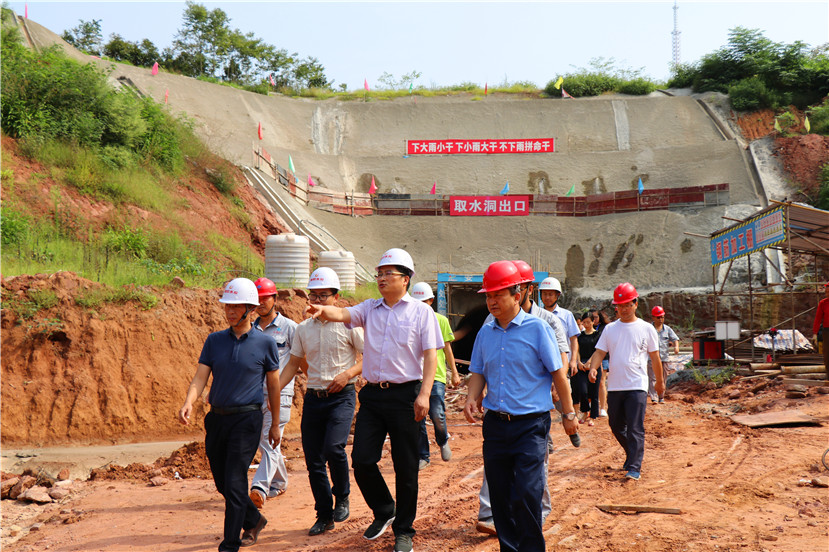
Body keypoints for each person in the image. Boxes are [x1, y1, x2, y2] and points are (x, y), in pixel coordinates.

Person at [306, 248, 442, 552]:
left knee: (406, 466)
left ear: (405, 279)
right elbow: (342, 313)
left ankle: (404, 530)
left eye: (388, 274)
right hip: (372, 396)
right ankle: (384, 510)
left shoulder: (421, 312)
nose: (381, 278)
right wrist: (321, 310)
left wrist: (424, 394)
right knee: (362, 460)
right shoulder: (370, 308)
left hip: (406, 395)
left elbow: (431, 355)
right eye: (379, 273)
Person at [464, 261, 579, 552]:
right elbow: (477, 371)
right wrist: (470, 397)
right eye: (488, 296)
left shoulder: (538, 329)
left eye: (497, 295)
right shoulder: (485, 333)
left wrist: (568, 414)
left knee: (527, 495)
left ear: (517, 295)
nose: (491, 302)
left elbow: (558, 375)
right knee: (501, 498)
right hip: (496, 425)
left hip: (531, 425)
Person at [178, 278, 279, 551]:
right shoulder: (214, 341)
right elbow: (200, 377)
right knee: (223, 483)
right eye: (228, 307)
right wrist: (189, 401)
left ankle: (230, 543)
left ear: (250, 308)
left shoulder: (265, 344)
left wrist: (276, 425)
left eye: (237, 307)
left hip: (247, 420)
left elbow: (273, 385)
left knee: (235, 480)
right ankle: (254, 519)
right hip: (217, 419)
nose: (231, 312)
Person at [274, 267, 364, 536]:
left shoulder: (349, 325)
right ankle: (323, 514)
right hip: (314, 398)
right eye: (314, 295)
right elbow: (292, 365)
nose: (318, 301)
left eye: (324, 296)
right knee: (313, 460)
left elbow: (369, 356)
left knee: (334, 447)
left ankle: (343, 497)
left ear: (336, 298)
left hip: (343, 396)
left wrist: (348, 374)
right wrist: (273, 393)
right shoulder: (303, 329)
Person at [588, 282, 663, 481]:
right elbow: (600, 352)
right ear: (616, 307)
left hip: (637, 385)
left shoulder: (646, 329)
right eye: (620, 305)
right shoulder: (610, 329)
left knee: (635, 426)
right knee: (615, 424)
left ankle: (634, 467)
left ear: (636, 304)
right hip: (615, 386)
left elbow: (655, 358)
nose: (624, 309)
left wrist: (659, 383)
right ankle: (632, 454)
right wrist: (594, 367)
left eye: (628, 304)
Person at [248, 277, 297, 509]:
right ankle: (279, 482)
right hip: (255, 395)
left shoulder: (290, 328)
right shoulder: (251, 330)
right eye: (257, 299)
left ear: (275, 299)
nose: (261, 302)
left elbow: (300, 360)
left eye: (265, 298)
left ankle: (259, 488)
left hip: (282, 393)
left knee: (269, 440)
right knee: (266, 441)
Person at [411, 281, 460, 470]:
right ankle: (423, 455)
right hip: (414, 376)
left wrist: (454, 373)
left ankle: (442, 440)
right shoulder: (408, 320)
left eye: (423, 301)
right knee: (418, 418)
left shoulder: (440, 320)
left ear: (430, 301)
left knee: (437, 414)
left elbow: (447, 349)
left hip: (436, 375)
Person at [539, 277, 580, 377]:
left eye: (550, 294)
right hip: (541, 366)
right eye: (544, 294)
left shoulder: (567, 315)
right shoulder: (537, 315)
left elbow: (573, 340)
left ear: (557, 295)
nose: (547, 297)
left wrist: (573, 361)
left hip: (562, 365)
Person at [574, 312, 602, 424]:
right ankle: (585, 411)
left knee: (594, 391)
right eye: (584, 322)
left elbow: (598, 351)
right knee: (582, 390)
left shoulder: (597, 335)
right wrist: (579, 362)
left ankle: (593, 416)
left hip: (594, 365)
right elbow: (577, 350)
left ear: (593, 321)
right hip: (582, 367)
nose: (586, 324)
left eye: (588, 322)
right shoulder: (580, 336)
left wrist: (590, 363)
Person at [649, 306, 680, 403]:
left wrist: (676, 347)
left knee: (663, 378)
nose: (661, 319)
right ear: (653, 317)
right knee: (653, 377)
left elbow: (675, 339)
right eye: (658, 317)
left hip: (664, 358)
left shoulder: (667, 329)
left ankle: (661, 396)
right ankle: (654, 397)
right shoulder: (648, 328)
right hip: (651, 358)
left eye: (662, 317)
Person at [594, 309, 612, 418]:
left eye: (596, 317)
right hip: (590, 359)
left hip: (603, 358)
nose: (594, 319)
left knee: (601, 382)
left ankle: (603, 408)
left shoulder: (605, 328)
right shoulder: (587, 329)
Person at [812, 281, 829, 374]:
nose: (827, 294)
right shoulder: (823, 303)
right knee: (827, 355)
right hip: (827, 331)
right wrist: (815, 333)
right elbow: (818, 319)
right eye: (826, 292)